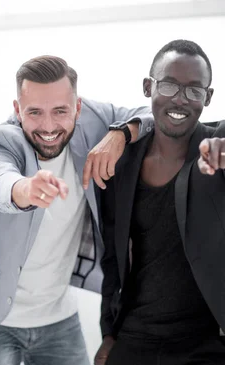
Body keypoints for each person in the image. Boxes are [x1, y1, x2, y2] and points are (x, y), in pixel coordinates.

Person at [0, 55, 154, 365]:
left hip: (58, 317)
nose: (48, 126)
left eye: (60, 111)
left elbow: (153, 113)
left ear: (78, 108)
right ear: (17, 110)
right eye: (34, 112)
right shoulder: (0, 141)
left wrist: (120, 134)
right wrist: (25, 190)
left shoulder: (95, 120)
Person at [97, 39, 225, 365]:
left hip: (205, 343)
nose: (180, 99)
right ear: (147, 87)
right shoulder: (122, 163)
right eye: (168, 85)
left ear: (208, 98)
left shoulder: (215, 147)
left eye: (194, 90)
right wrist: (108, 334)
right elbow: (112, 256)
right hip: (135, 337)